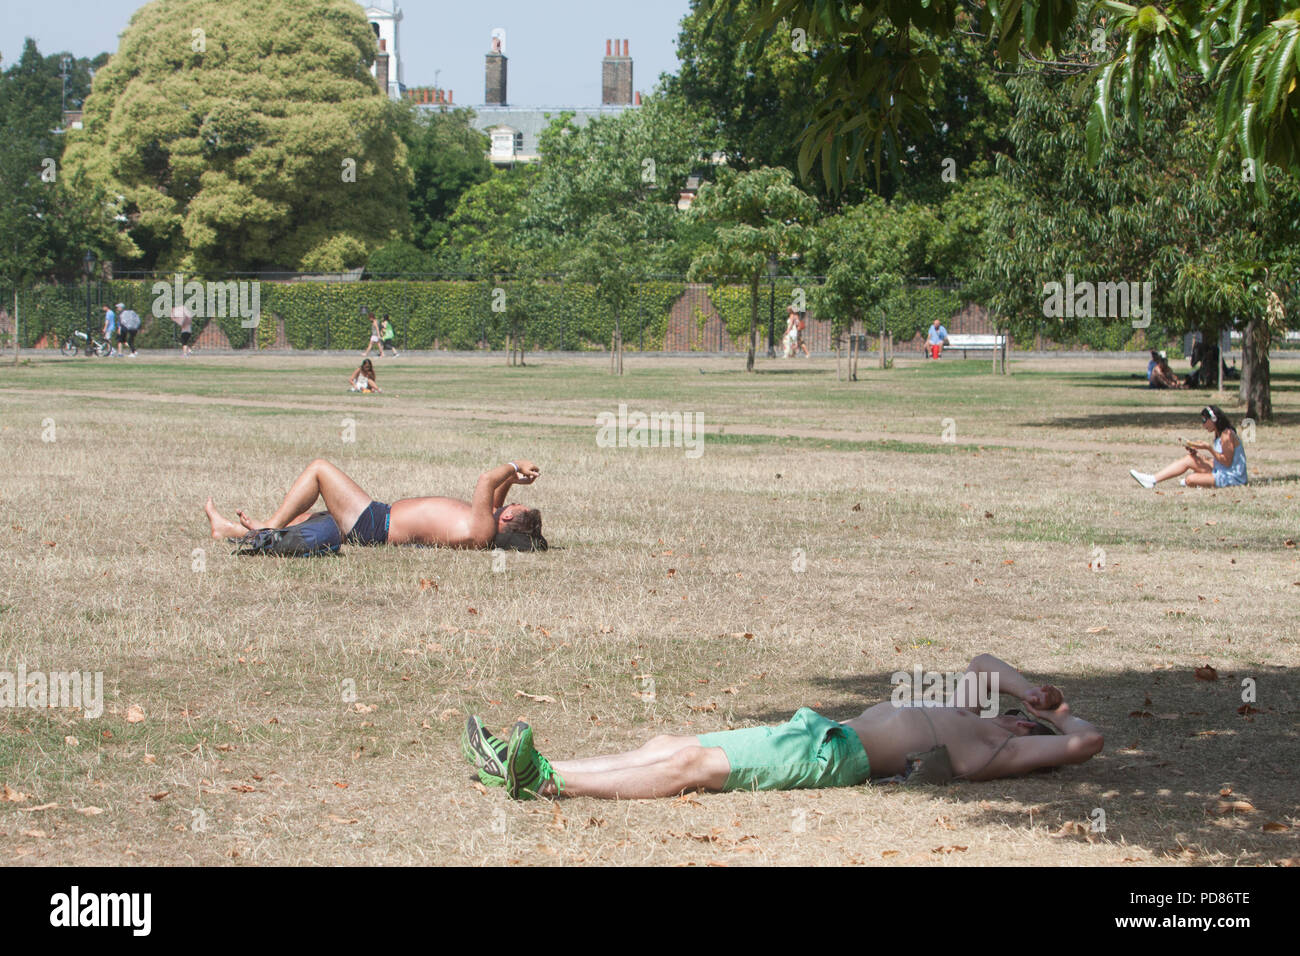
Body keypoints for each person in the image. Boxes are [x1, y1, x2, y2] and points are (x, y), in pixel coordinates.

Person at [463, 654, 1103, 800]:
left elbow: (1088, 745)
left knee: (695, 767)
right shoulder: (973, 710)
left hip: (835, 758)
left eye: (1026, 720)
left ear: (1031, 737)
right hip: (818, 730)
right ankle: (529, 762)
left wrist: (1059, 716)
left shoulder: (991, 751)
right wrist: (1028, 689)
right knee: (673, 746)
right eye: (1019, 713)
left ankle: (543, 778)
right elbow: (983, 663)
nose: (1016, 716)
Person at [204, 458, 547, 552]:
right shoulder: (485, 526)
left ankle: (268, 526)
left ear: (511, 516)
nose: (510, 501)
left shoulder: (482, 530)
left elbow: (487, 481)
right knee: (306, 520)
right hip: (377, 522)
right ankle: (228, 530)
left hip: (376, 523)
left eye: (515, 503)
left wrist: (516, 466)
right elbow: (495, 495)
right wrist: (513, 479)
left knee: (320, 470)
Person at [1130, 405, 1247, 489]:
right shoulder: (1218, 434)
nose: (1203, 424)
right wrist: (1199, 455)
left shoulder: (1227, 434)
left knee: (1190, 479)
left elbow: (1227, 462)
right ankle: (1152, 479)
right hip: (1222, 471)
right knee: (1190, 458)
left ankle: (1197, 482)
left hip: (1232, 477)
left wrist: (1208, 448)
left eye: (1204, 420)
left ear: (1214, 419)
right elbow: (1220, 460)